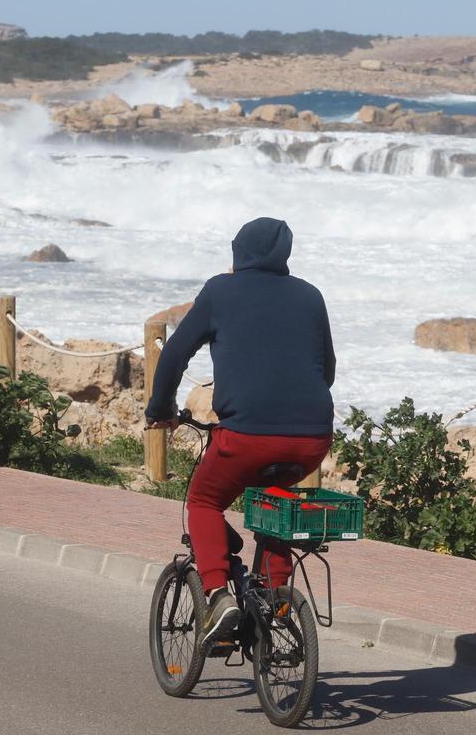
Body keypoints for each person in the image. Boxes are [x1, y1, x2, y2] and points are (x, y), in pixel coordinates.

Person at [144, 217, 335, 650]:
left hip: (246, 436)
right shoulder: (310, 295)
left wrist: (161, 410)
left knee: (205, 499)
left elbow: (174, 354)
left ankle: (216, 595)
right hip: (312, 438)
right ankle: (276, 600)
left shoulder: (221, 290)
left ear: (238, 250)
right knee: (273, 500)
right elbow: (328, 370)